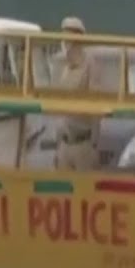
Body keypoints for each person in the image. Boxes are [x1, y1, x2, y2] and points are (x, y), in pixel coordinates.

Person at [55, 16, 98, 170]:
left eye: (68, 36)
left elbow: (96, 104)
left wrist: (94, 142)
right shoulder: (64, 66)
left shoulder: (89, 64)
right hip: (64, 143)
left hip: (82, 143)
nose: (65, 42)